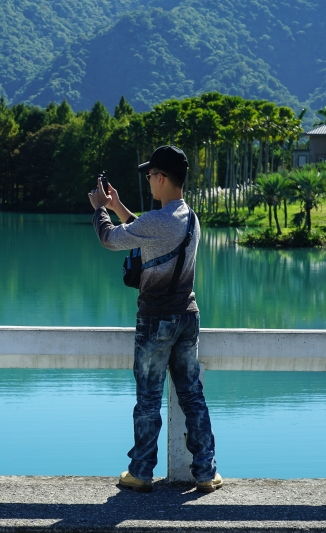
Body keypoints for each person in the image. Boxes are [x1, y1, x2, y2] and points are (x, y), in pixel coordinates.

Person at [88, 145, 220, 493]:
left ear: (162, 178)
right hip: (187, 317)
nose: (148, 181)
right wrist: (118, 207)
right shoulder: (189, 218)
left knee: (148, 398)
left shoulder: (159, 220)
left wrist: (101, 211)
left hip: (155, 320)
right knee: (192, 395)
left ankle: (141, 472)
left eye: (150, 176)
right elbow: (150, 232)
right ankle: (206, 472)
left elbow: (110, 239)